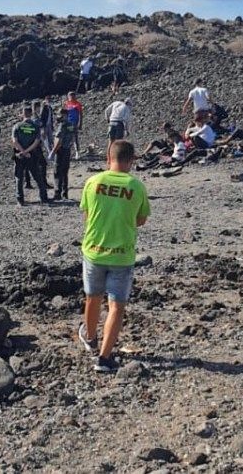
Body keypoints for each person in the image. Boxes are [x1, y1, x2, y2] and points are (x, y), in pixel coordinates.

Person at [78, 140, 151, 373]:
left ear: (108, 159)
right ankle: (104, 358)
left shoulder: (93, 182)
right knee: (116, 307)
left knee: (93, 298)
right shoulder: (136, 187)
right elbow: (141, 220)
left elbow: (87, 215)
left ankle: (90, 338)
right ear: (132, 161)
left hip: (94, 251)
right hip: (122, 255)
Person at [12, 106, 51, 205]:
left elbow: (14, 141)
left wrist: (22, 151)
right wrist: (27, 151)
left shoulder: (17, 126)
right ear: (31, 113)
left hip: (20, 156)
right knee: (38, 177)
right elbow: (37, 141)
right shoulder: (35, 126)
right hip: (32, 155)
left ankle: (20, 200)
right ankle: (44, 198)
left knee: (19, 178)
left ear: (22, 113)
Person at [50, 107, 76, 200]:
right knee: (65, 172)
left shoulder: (62, 125)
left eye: (59, 114)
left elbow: (59, 141)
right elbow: (73, 138)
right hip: (67, 150)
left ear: (64, 115)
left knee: (57, 172)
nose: (58, 116)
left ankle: (57, 194)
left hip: (60, 151)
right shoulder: (71, 124)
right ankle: (65, 193)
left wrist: (53, 152)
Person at [64, 91, 84, 158]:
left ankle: (77, 152)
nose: (71, 97)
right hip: (68, 123)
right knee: (69, 137)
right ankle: (69, 152)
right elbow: (64, 113)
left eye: (73, 96)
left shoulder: (78, 104)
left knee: (75, 137)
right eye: (70, 96)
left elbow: (80, 114)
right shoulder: (66, 103)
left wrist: (80, 123)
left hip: (74, 123)